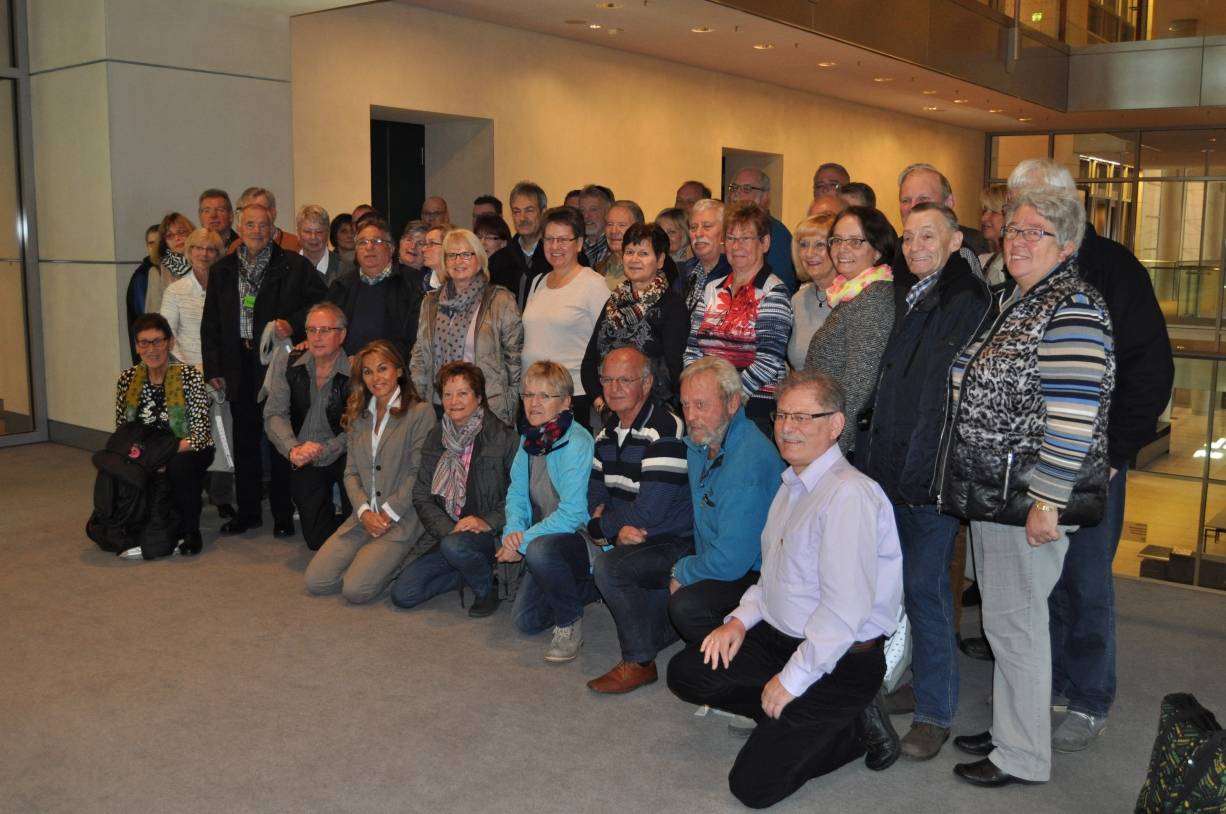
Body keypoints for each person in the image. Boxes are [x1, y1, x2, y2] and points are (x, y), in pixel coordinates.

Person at [940, 187, 1115, 788]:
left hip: (1029, 497)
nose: (1017, 239)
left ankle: (1021, 756)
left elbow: (1074, 417)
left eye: (1035, 231)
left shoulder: (1072, 307)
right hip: (994, 490)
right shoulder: (1015, 299)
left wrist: (1048, 500)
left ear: (1067, 243)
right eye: (1013, 229)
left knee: (1016, 627)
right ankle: (1012, 731)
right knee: (1005, 624)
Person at [667, 371, 903, 808]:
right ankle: (794, 715)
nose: (788, 427)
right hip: (778, 637)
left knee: (753, 786)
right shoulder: (792, 483)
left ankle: (852, 730)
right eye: (782, 415)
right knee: (686, 673)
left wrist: (792, 680)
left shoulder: (849, 496)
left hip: (838, 660)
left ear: (836, 425)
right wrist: (738, 621)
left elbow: (843, 614)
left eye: (804, 416)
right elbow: (772, 577)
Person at [1006, 159, 1173, 754]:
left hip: (1093, 459)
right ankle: (1048, 682)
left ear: (1069, 214)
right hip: (1028, 462)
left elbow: (1150, 370)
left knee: (1085, 580)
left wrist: (1118, 452)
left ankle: (1089, 697)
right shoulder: (1020, 276)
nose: (1024, 226)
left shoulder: (1112, 270)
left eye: (1039, 210)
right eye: (1017, 212)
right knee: (1039, 580)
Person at [856, 202, 991, 760]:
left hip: (926, 478)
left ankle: (936, 714)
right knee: (893, 589)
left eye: (927, 236)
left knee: (928, 594)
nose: (914, 246)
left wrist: (912, 481)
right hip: (892, 467)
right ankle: (910, 686)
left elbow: (939, 400)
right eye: (908, 237)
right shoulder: (915, 291)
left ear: (956, 240)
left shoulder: (962, 298)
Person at [201, 203, 327, 535]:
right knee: (244, 441)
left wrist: (294, 324)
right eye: (251, 224)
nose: (257, 231)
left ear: (274, 230)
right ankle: (249, 511)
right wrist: (213, 367)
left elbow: (320, 305)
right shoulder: (223, 270)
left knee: (280, 438)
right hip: (237, 363)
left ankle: (284, 515)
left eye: (264, 225)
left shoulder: (294, 266)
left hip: (278, 364)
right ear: (239, 228)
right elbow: (210, 323)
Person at [586, 348, 692, 694]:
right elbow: (594, 497)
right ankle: (663, 626)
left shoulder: (665, 429)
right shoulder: (607, 432)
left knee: (609, 567)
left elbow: (651, 512)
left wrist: (604, 528)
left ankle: (640, 661)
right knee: (565, 549)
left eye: (625, 380)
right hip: (633, 534)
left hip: (675, 539)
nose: (614, 388)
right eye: (607, 379)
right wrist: (609, 528)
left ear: (646, 383)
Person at [305, 340, 437, 604]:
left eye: (383, 368)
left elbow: (419, 471)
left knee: (356, 590)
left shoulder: (420, 412)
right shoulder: (357, 415)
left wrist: (387, 513)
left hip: (401, 516)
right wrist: (364, 512)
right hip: (363, 516)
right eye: (367, 371)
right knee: (316, 581)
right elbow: (350, 472)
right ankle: (371, 557)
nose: (376, 378)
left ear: (399, 371)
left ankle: (406, 555)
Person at [668, 357, 783, 646]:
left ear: (732, 404)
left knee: (685, 605)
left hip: (760, 575)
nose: (691, 415)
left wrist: (683, 570)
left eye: (701, 404)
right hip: (724, 557)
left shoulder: (747, 463)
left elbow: (731, 563)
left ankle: (747, 654)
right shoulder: (703, 441)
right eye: (685, 405)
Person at [389, 361, 518, 615]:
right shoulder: (436, 436)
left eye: (463, 393)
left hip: (491, 535)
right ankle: (469, 569)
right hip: (448, 533)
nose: (453, 401)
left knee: (456, 547)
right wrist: (449, 530)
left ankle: (487, 587)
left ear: (479, 397)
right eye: (447, 394)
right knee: (404, 594)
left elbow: (521, 497)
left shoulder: (505, 437)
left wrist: (486, 521)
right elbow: (422, 494)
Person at [496, 361, 597, 662]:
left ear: (566, 402)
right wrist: (512, 532)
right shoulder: (529, 438)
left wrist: (523, 543)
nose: (534, 403)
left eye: (545, 396)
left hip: (581, 537)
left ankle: (569, 623)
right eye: (528, 395)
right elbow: (516, 492)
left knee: (539, 551)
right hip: (544, 536)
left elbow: (574, 513)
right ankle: (589, 588)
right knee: (525, 621)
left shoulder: (576, 441)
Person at [685, 203, 792, 437]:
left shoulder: (773, 292)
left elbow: (769, 360)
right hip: (708, 406)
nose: (736, 246)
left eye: (745, 238)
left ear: (764, 243)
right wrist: (699, 392)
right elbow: (693, 348)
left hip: (754, 408)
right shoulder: (712, 288)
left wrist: (728, 399)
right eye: (731, 238)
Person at [115, 313, 215, 556]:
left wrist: (162, 456)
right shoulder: (128, 379)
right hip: (147, 450)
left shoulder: (189, 376)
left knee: (180, 466)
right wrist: (147, 456)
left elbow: (200, 435)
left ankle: (191, 531)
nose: (152, 349)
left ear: (170, 342)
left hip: (187, 447)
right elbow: (122, 431)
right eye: (144, 343)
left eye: (158, 341)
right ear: (137, 346)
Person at [804, 205, 896, 455]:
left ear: (877, 250)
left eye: (855, 241)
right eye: (837, 240)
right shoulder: (850, 291)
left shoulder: (873, 298)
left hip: (840, 442)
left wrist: (833, 451)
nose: (843, 249)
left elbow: (859, 382)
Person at [410, 227, 523, 426]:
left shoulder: (500, 300)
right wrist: (418, 400)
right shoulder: (430, 302)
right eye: (451, 255)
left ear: (479, 259)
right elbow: (420, 355)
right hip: (438, 407)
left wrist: (509, 405)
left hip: (487, 407)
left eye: (465, 254)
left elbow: (513, 359)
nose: (458, 261)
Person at [263, 303, 353, 551]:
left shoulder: (357, 369)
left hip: (345, 453)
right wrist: (293, 449)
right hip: (304, 454)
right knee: (316, 541)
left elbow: (358, 429)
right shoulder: (289, 363)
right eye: (311, 330)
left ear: (342, 334)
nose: (317, 337)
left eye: (325, 330)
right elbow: (274, 414)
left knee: (353, 528)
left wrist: (323, 450)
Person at [581, 222, 688, 408]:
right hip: (609, 412)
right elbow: (590, 361)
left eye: (644, 253)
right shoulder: (614, 301)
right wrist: (601, 404)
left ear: (660, 260)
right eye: (629, 252)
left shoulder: (672, 306)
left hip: (655, 412)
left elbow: (675, 370)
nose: (634, 259)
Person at [520, 207, 610, 424]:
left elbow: (608, 341)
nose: (554, 246)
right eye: (549, 239)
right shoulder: (538, 282)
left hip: (573, 397)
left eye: (563, 239)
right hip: (533, 396)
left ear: (578, 243)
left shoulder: (593, 284)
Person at [325, 216, 424, 364]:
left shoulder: (414, 284)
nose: (369, 247)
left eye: (377, 242)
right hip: (347, 373)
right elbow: (329, 332)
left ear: (391, 248)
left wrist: (369, 362)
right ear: (356, 250)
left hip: (396, 372)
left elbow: (416, 340)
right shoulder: (341, 286)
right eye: (362, 242)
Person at [892, 164, 988, 289]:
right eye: (905, 200)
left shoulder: (962, 254)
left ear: (948, 204)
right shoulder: (898, 248)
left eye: (923, 199)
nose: (913, 207)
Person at [727, 167, 795, 291]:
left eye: (746, 189)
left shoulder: (777, 233)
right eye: (734, 188)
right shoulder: (726, 228)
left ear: (764, 197)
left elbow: (781, 283)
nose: (736, 194)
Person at [488, 180, 552, 310]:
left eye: (529, 210)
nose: (522, 218)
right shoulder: (499, 260)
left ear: (543, 212)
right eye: (516, 211)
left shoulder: (555, 256)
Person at [787, 214, 836, 370]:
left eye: (819, 245)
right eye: (803, 244)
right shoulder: (798, 299)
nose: (809, 253)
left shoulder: (853, 297)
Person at [681, 199, 729, 313]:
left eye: (707, 226)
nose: (698, 234)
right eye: (693, 227)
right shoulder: (682, 272)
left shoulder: (735, 274)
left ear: (725, 232)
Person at [145, 212, 195, 315]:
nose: (177, 238)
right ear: (164, 242)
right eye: (170, 236)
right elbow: (154, 314)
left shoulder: (205, 265)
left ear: (192, 233)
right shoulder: (157, 272)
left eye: (181, 232)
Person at [125, 224, 161, 360]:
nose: (155, 247)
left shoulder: (171, 270)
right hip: (151, 350)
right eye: (151, 243)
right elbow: (145, 316)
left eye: (159, 242)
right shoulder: (142, 276)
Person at [228, 187, 300, 254]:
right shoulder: (235, 246)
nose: (254, 215)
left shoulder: (295, 244)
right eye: (249, 210)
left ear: (273, 212)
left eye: (260, 209)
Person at [594, 200, 643, 291]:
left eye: (622, 225)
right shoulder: (598, 269)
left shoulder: (646, 269)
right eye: (609, 224)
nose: (613, 231)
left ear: (638, 229)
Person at [297, 204, 344, 286]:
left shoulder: (344, 269)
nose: (313, 237)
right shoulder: (287, 268)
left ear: (328, 234)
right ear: (298, 234)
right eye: (307, 232)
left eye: (319, 232)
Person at [979, 184, 1009, 287]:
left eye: (993, 212)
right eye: (984, 211)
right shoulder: (981, 261)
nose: (983, 218)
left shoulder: (1018, 264)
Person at [578, 184, 614, 267]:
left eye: (593, 209)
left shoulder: (615, 248)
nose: (586, 216)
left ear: (608, 212)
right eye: (582, 210)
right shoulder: (574, 247)